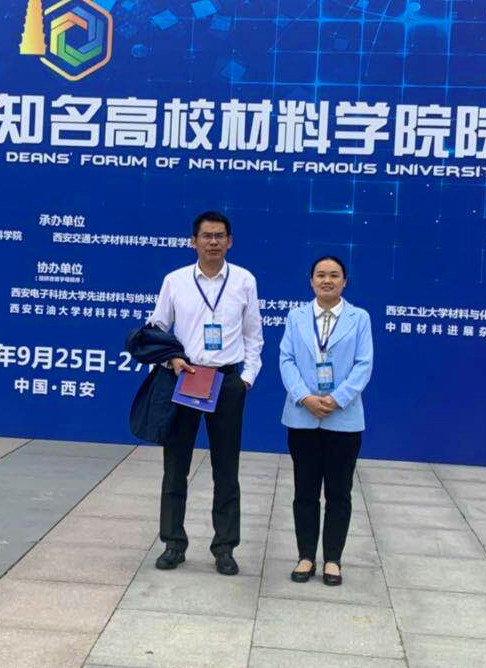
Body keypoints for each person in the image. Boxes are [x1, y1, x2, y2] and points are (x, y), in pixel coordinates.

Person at [148, 210, 263, 576]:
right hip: (186, 378)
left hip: (226, 382)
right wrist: (170, 360)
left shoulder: (244, 280)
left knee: (226, 469)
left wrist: (246, 378)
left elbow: (253, 335)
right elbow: (156, 327)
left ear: (230, 241)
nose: (213, 242)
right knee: (175, 466)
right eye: (206, 236)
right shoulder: (175, 280)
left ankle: (224, 548)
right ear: (193, 241)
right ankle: (173, 543)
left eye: (219, 236)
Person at [277, 255, 373, 586]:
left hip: (343, 419)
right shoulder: (296, 317)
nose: (327, 280)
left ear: (345, 281)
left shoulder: (359, 318)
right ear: (311, 281)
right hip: (302, 417)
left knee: (339, 493)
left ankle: (333, 559)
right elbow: (286, 360)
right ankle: (305, 556)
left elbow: (364, 364)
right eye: (320, 275)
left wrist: (336, 399)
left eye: (334, 275)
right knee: (304, 491)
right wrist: (305, 397)